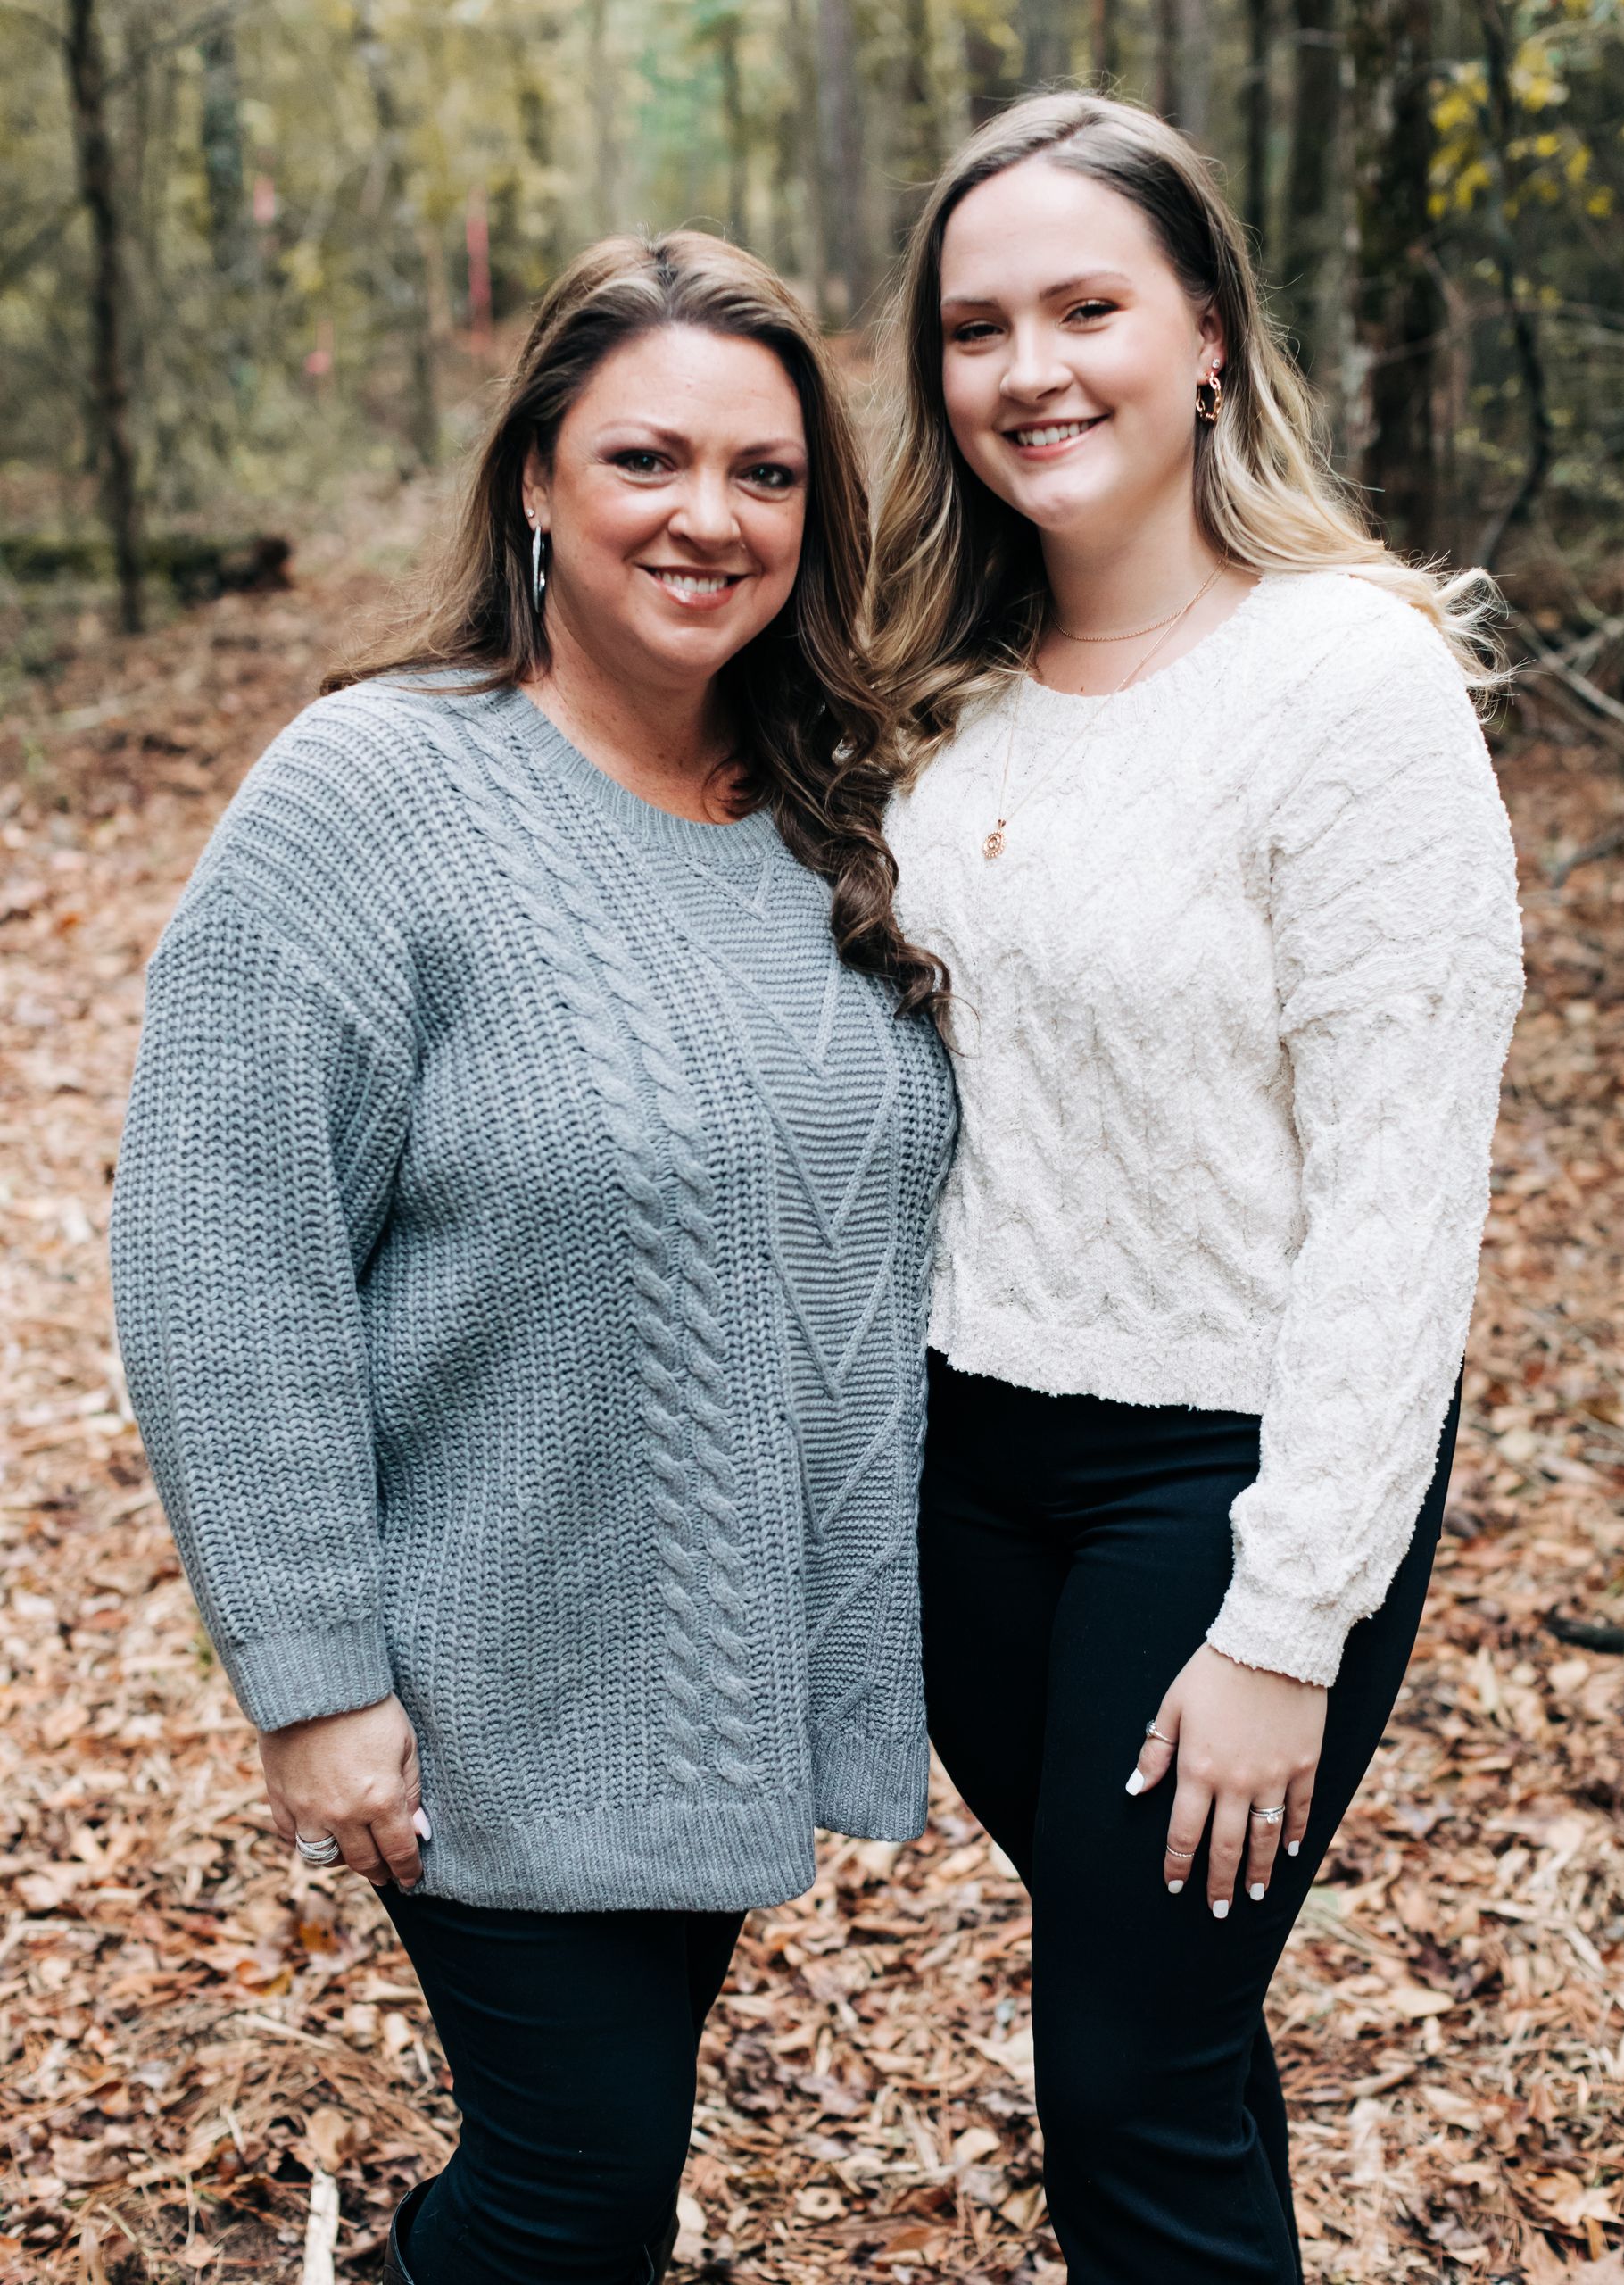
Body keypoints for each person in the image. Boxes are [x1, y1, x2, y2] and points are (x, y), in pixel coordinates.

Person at [110, 231, 955, 2285]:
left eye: (766, 474)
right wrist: (312, 1674)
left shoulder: (828, 809)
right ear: (535, 484)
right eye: (647, 457)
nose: (708, 515)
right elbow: (217, 1255)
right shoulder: (374, 790)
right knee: (569, 2196)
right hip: (490, 1665)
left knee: (597, 2169)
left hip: (709, 1665)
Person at [872, 94, 1524, 2284]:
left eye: (1088, 307)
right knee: (1174, 2021)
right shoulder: (938, 700)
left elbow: (1403, 1196)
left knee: (1125, 2080)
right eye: (978, 327)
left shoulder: (1351, 682)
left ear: (1212, 335)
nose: (1030, 369)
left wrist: (1283, 1618)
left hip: (1223, 1477)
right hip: (971, 1469)